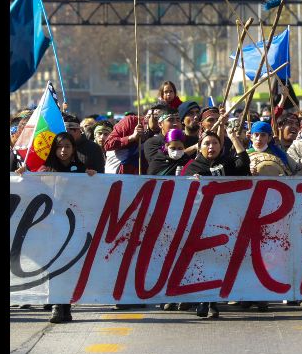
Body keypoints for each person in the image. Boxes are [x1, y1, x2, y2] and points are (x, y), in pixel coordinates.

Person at [16, 132, 97, 323]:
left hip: (74, 226)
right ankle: (56, 306)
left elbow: (89, 193)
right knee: (53, 267)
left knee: (68, 267)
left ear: (73, 149)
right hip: (50, 227)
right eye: (60, 147)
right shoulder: (46, 169)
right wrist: (23, 176)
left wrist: (92, 178)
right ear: (54, 149)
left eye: (67, 147)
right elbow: (32, 190)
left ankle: (65, 307)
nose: (63, 151)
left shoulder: (81, 169)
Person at [182, 128, 250, 318]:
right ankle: (203, 300)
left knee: (220, 260)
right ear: (200, 147)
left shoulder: (228, 163)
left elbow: (244, 164)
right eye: (207, 144)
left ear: (221, 146)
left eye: (215, 143)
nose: (211, 147)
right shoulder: (193, 167)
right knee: (203, 262)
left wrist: (234, 138)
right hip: (201, 223)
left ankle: (213, 301)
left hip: (225, 221)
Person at [103, 103, 166, 175]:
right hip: (119, 173)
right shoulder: (130, 121)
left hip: (143, 176)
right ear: (147, 116)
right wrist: (131, 137)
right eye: (156, 117)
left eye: (162, 119)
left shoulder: (165, 132)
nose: (159, 122)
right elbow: (108, 145)